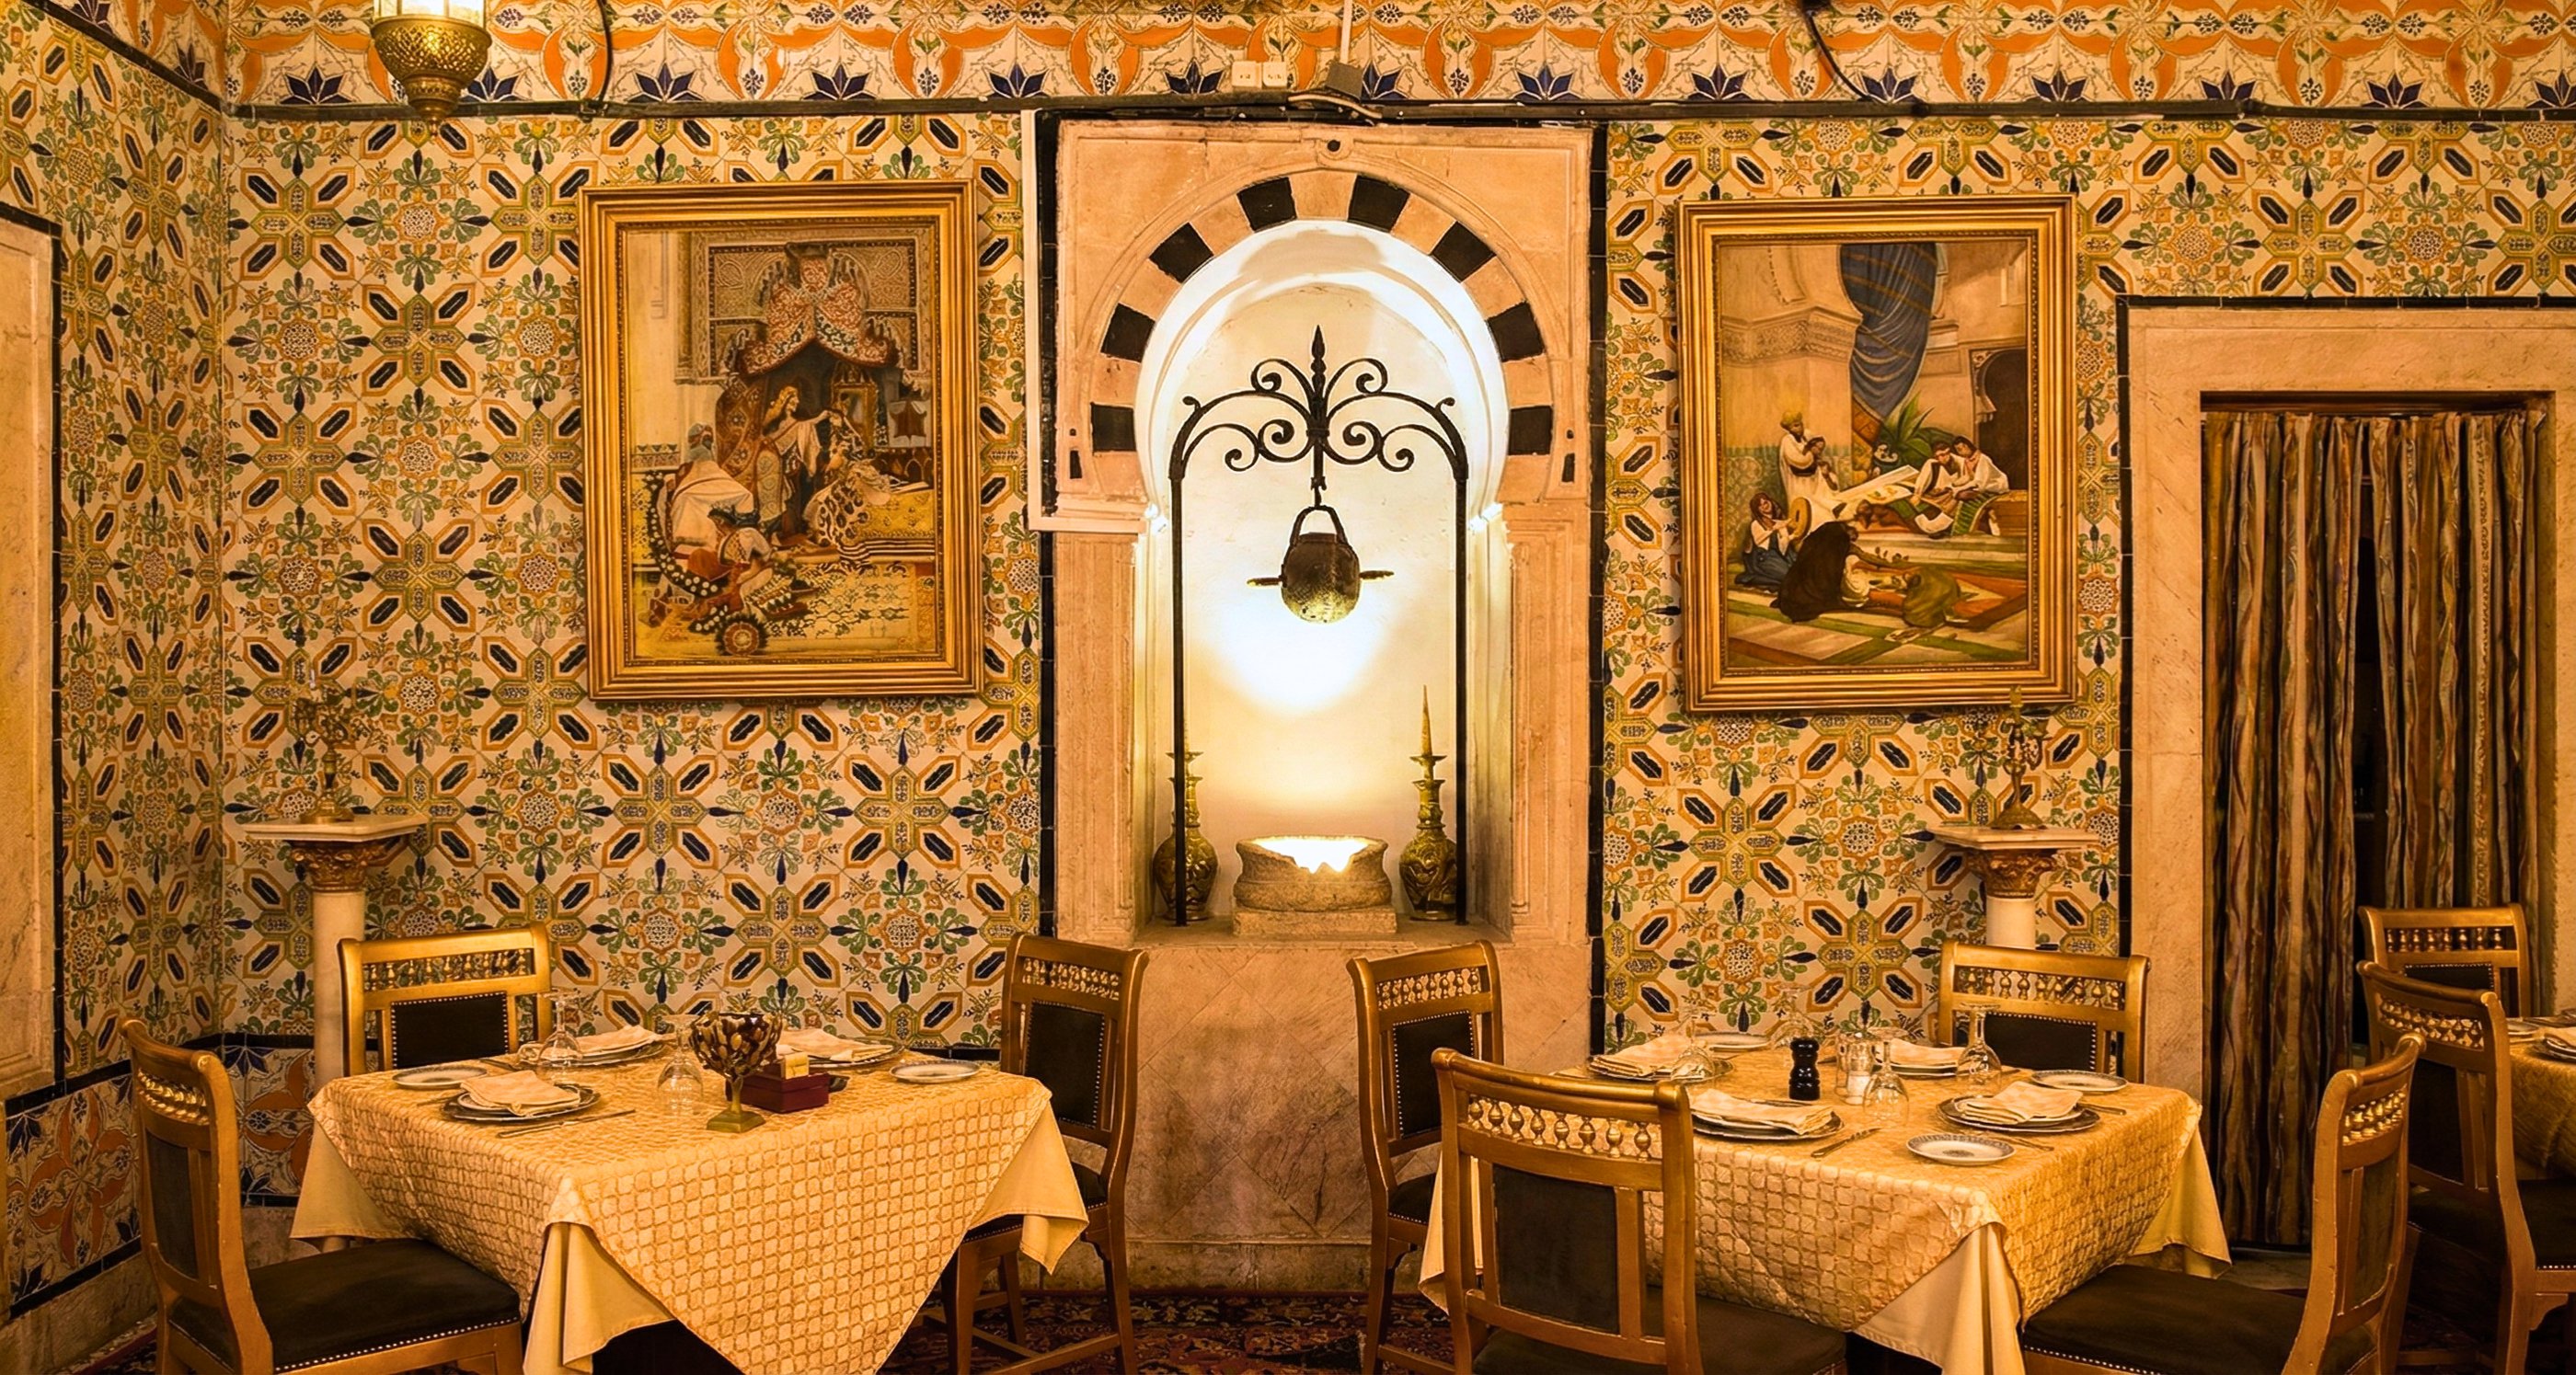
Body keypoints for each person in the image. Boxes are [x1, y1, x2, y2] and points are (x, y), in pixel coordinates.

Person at [1738, 492, 1796, 590]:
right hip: (1765, 558)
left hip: (1779, 556)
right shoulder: (1756, 524)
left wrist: (1792, 536)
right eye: (1760, 506)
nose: (1764, 506)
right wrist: (1773, 529)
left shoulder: (1779, 522)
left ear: (1770, 502)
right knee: (1788, 577)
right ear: (1757, 510)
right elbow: (1758, 541)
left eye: (1765, 502)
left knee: (1797, 573)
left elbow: (1783, 545)